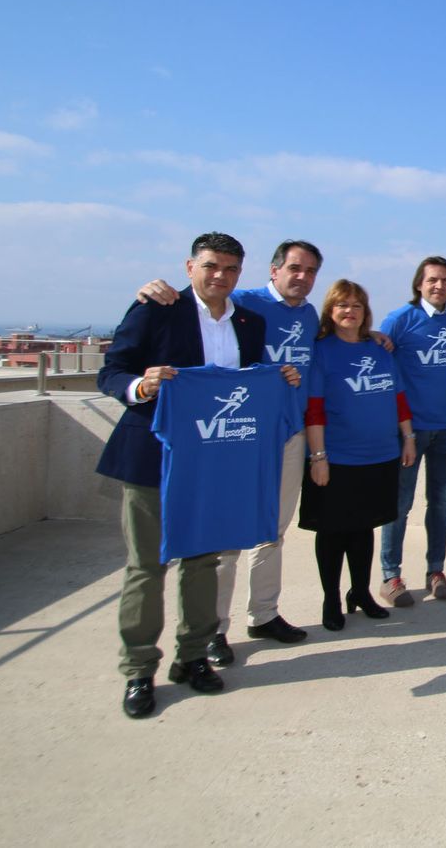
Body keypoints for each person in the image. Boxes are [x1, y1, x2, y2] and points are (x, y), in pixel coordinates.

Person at [96, 232, 298, 719]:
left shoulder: (249, 322)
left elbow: (246, 381)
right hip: (154, 458)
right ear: (190, 267)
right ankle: (139, 669)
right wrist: (141, 385)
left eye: (230, 269)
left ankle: (193, 657)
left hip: (217, 461)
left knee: (203, 563)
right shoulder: (156, 308)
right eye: (210, 267)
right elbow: (111, 371)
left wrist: (277, 377)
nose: (220, 277)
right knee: (147, 567)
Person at [135, 239, 325, 666]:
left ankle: (263, 614)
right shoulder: (242, 302)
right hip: (239, 436)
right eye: (295, 268)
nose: (302, 277)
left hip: (288, 432)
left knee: (273, 530)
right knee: (226, 536)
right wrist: (150, 290)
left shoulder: (308, 314)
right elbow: (199, 303)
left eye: (311, 271)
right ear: (273, 270)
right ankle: (214, 629)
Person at [301, 280, 416, 630]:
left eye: (357, 305)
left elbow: (398, 398)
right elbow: (314, 409)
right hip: (339, 458)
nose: (350, 311)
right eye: (342, 305)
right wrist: (318, 456)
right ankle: (331, 600)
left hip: (380, 455)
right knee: (334, 532)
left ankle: (361, 593)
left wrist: (408, 438)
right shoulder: (321, 350)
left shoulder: (380, 350)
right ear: (330, 311)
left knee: (365, 529)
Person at [378, 256, 446, 605]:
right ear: (419, 283)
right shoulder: (399, 319)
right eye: (432, 280)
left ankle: (435, 569)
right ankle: (391, 575)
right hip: (408, 430)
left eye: (445, 280)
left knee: (441, 502)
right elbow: (374, 359)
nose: (439, 286)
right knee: (400, 504)